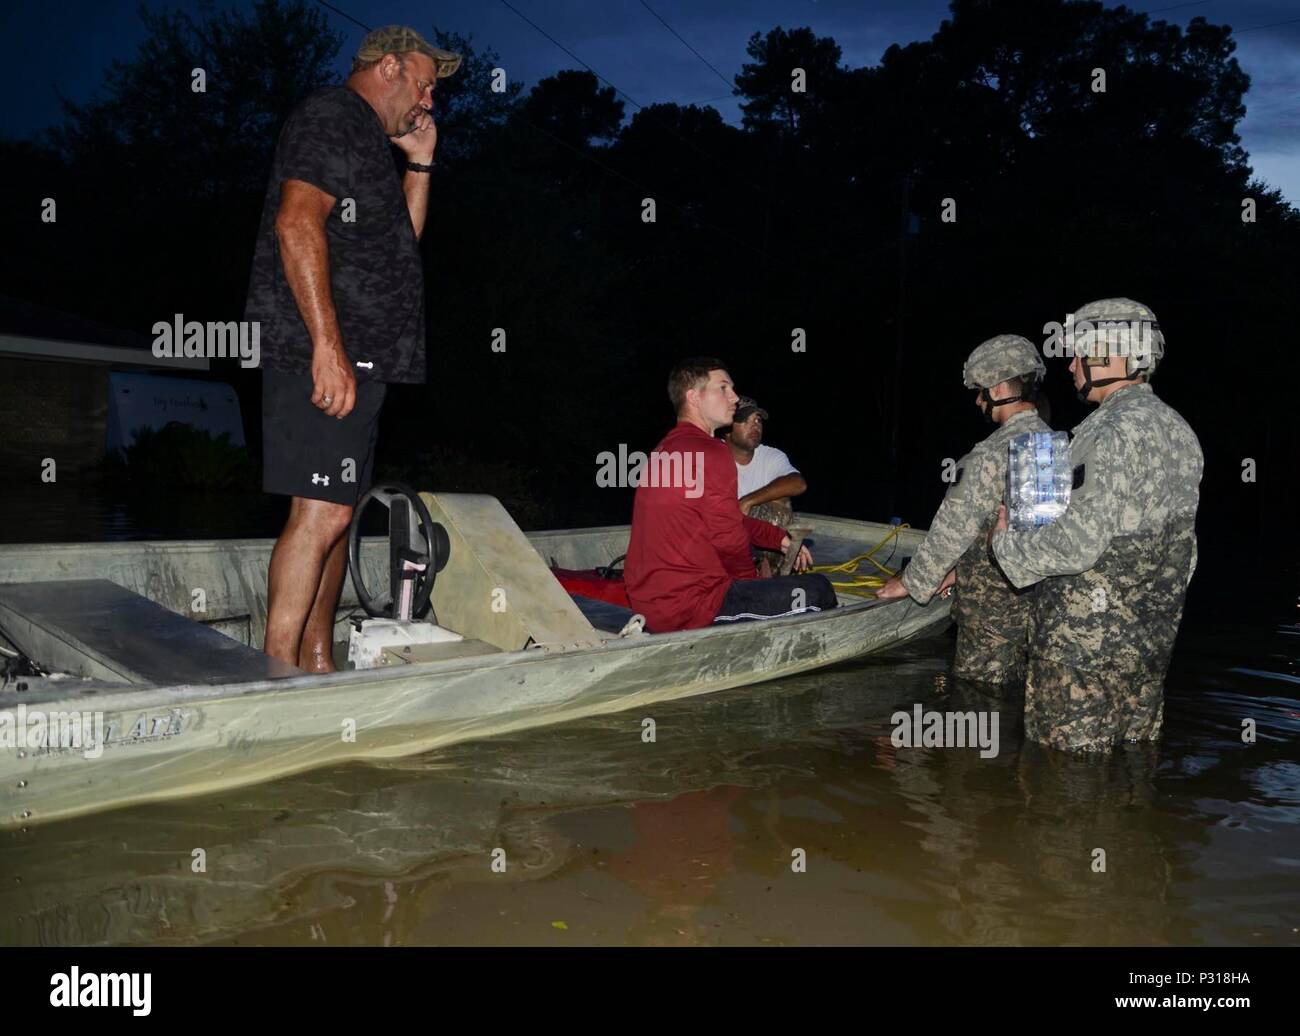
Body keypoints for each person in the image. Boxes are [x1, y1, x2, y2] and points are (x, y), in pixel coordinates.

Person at [244, 26, 460, 671]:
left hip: (365, 358)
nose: (427, 99)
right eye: (423, 83)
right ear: (388, 66)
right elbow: (296, 221)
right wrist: (327, 348)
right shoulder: (332, 115)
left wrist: (420, 162)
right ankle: (275, 672)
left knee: (335, 512)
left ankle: (316, 660)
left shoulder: (370, 141)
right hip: (325, 354)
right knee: (319, 512)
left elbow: (399, 250)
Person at [990, 298, 1203, 751]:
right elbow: (1185, 554)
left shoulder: (1107, 430)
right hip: (1148, 650)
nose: (1071, 366)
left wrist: (1005, 545)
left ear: (1109, 352)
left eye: (1079, 352)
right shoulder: (1180, 431)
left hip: (1082, 655)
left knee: (1060, 787)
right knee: (1127, 774)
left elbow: (1076, 545)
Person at [877, 335, 1050, 685]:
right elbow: (1029, 532)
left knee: (977, 706)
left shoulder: (990, 453)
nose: (977, 400)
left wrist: (912, 581)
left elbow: (953, 529)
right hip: (1041, 611)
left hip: (992, 616)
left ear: (1000, 388)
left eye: (981, 390)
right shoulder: (1051, 446)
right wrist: (952, 575)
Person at [624, 358, 838, 632]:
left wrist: (777, 539)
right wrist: (753, 586)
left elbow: (724, 519)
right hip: (691, 608)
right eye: (723, 388)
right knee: (819, 589)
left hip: (649, 602)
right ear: (693, 397)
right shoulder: (712, 451)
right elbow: (728, 539)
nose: (734, 397)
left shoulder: (664, 449)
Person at [725, 397, 808, 576]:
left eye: (757, 420)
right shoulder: (712, 455)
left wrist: (747, 502)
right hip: (726, 537)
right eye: (745, 420)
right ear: (727, 429)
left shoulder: (771, 455)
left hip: (762, 537)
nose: (755, 425)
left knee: (780, 499)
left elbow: (798, 483)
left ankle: (769, 572)